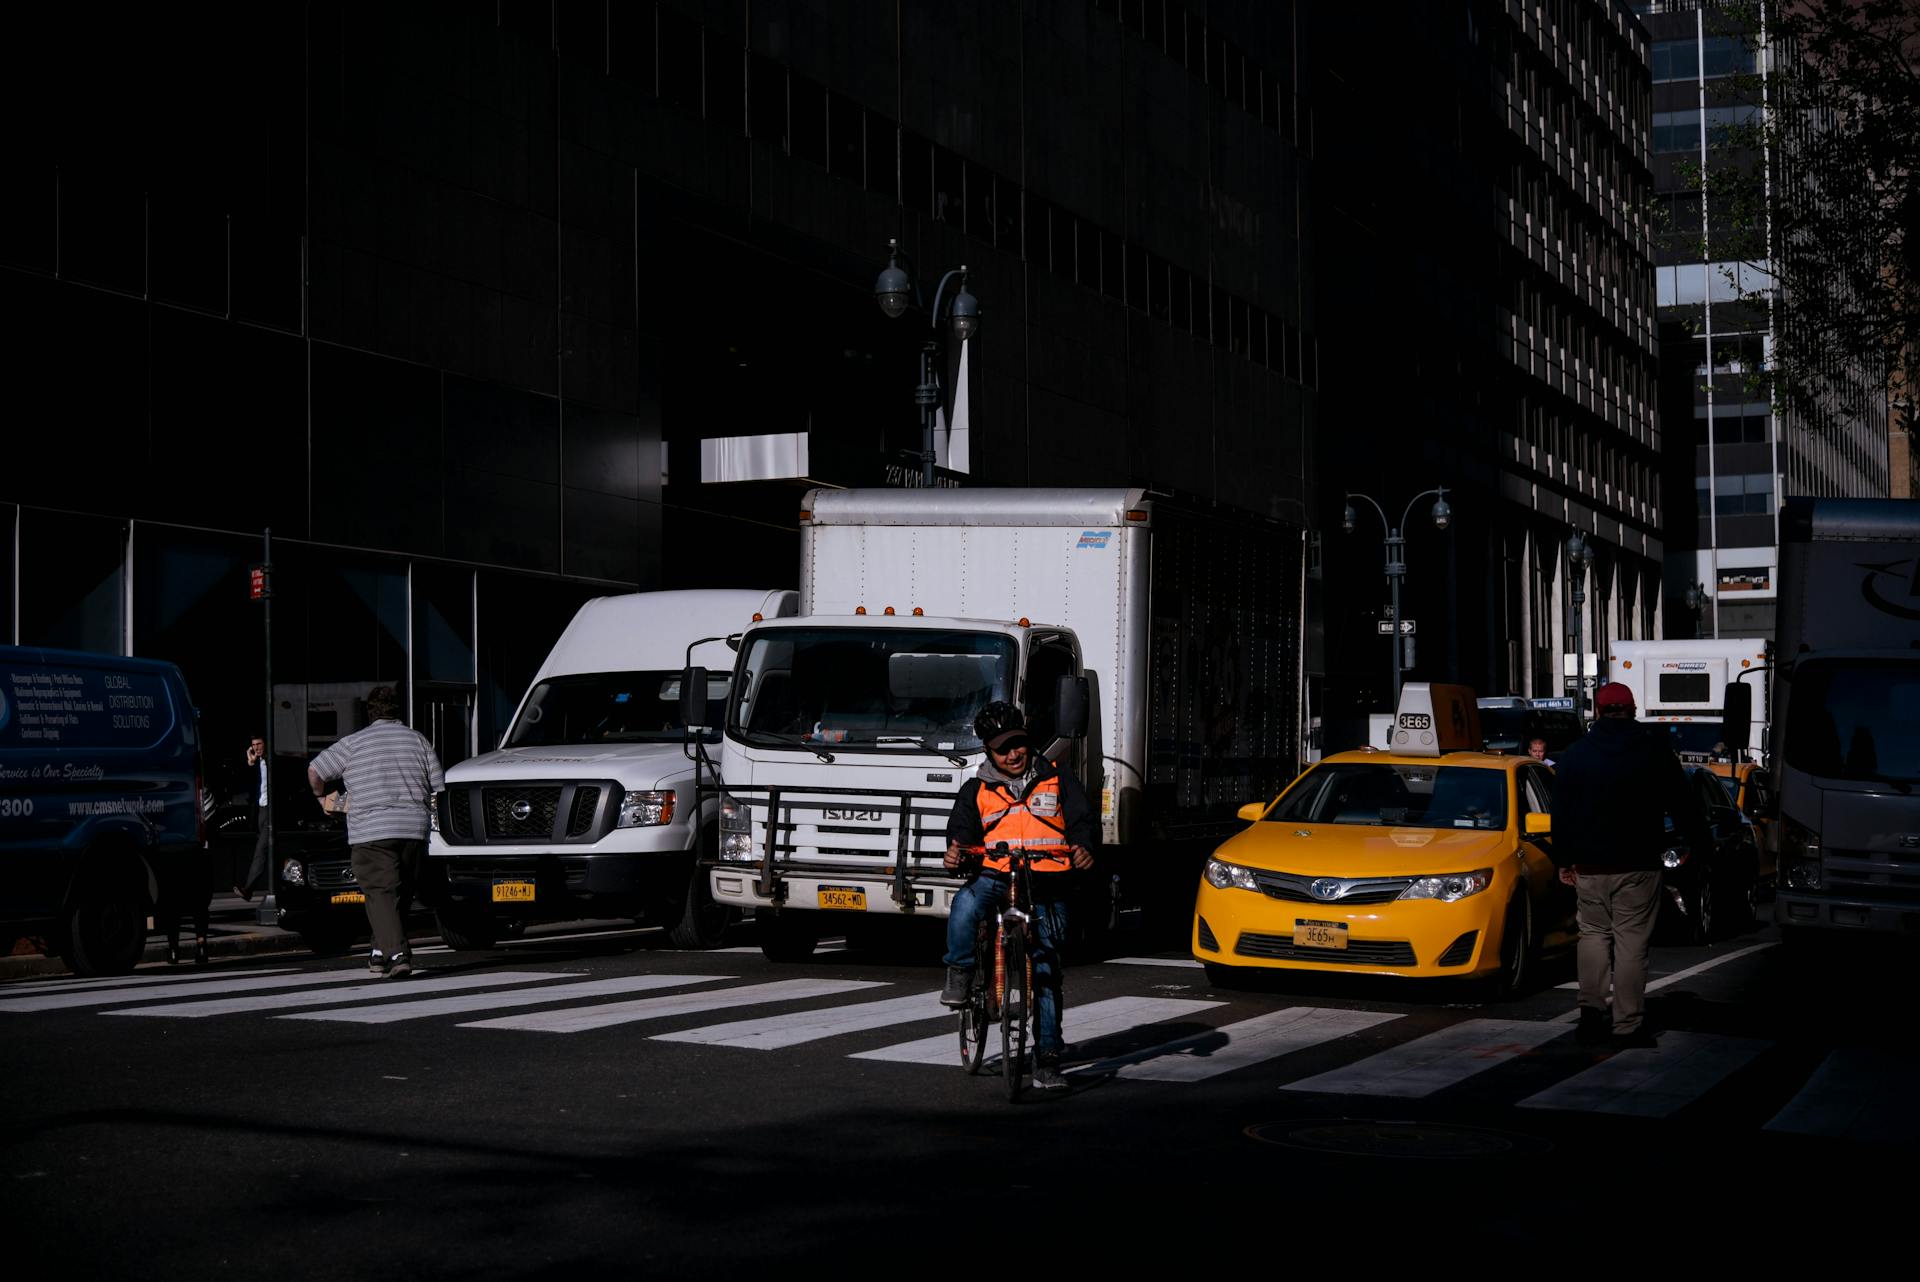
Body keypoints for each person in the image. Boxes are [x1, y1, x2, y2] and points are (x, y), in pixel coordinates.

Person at [940, 701, 1096, 1091]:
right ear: (988, 752)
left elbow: (1081, 822)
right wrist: (956, 850)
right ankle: (960, 972)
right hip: (995, 874)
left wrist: (1083, 847)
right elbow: (960, 831)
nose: (1013, 754)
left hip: (1047, 880)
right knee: (964, 904)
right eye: (1002, 749)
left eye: (1018, 744)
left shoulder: (1058, 778)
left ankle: (1047, 1059)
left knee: (1045, 969)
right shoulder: (975, 789)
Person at [1549, 682, 1710, 1048]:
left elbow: (1561, 815)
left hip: (1589, 865)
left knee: (1592, 935)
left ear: (1599, 711)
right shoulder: (1655, 752)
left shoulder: (1575, 755)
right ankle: (1627, 1024)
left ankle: (1590, 1014)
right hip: (1639, 864)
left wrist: (1564, 859)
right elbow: (1684, 806)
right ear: (1633, 709)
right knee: (1631, 943)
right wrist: (1701, 845)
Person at [306, 687, 444, 978]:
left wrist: (323, 799)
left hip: (371, 829)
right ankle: (379, 951)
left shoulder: (354, 743)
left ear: (370, 712)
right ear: (397, 710)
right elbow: (437, 786)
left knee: (380, 892)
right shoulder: (417, 740)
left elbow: (316, 771)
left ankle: (397, 955)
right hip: (412, 828)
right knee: (399, 895)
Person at [235, 734, 270, 901]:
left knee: (261, 849)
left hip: (271, 810)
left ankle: (249, 888)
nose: (256, 748)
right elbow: (250, 785)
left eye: (259, 744)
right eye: (253, 745)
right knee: (265, 849)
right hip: (261, 810)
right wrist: (250, 762)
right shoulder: (258, 763)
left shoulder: (270, 761)